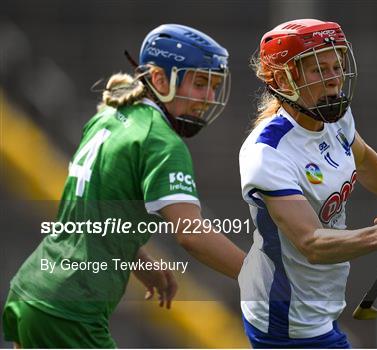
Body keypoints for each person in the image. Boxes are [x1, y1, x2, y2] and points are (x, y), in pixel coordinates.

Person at [2, 24, 245, 348]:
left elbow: (94, 217)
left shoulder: (108, 118)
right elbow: (191, 233)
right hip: (70, 311)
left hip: (33, 293)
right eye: (201, 84)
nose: (209, 98)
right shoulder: (160, 140)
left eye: (215, 87)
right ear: (160, 80)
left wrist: (139, 259)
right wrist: (259, 274)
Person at [238, 19, 377, 348]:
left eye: (337, 66)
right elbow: (310, 243)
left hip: (316, 308)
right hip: (283, 320)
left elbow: (364, 160)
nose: (334, 79)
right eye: (318, 70)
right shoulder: (267, 154)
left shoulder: (333, 118)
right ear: (282, 79)